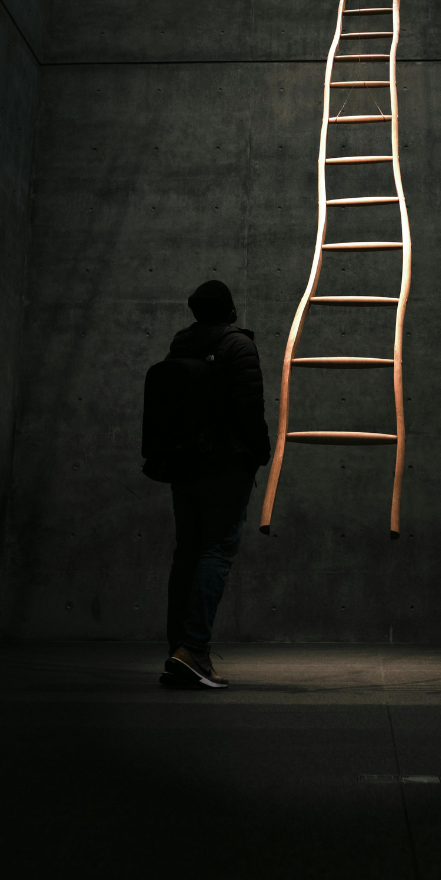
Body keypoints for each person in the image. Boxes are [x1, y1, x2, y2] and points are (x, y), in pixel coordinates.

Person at [158, 280, 270, 690]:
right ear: (230, 310)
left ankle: (179, 651)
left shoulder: (180, 343)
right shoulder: (238, 345)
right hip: (225, 465)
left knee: (186, 554)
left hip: (184, 465)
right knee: (216, 551)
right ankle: (194, 651)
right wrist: (261, 452)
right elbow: (249, 407)